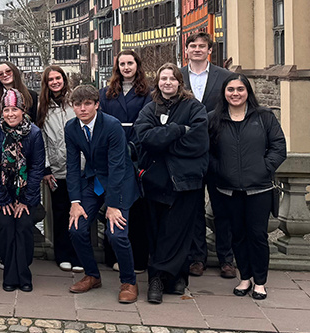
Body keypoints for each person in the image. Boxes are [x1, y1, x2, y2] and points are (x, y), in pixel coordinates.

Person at [135, 63, 209, 304]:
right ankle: (162, 277)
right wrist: (177, 130)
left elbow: (198, 143)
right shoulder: (149, 108)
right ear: (157, 82)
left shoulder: (194, 108)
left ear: (180, 82)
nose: (167, 82)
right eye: (163, 78)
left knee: (179, 231)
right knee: (157, 231)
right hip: (156, 180)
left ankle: (170, 276)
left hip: (185, 181)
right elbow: (144, 138)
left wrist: (165, 141)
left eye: (172, 78)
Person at [207, 74, 286, 300]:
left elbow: (279, 147)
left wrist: (264, 167)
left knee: (257, 235)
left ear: (247, 92)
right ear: (224, 93)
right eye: (230, 89)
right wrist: (219, 168)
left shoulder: (264, 117)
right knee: (238, 236)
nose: (235, 93)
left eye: (240, 89)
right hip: (227, 189)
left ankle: (260, 281)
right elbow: (206, 150)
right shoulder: (214, 118)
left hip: (258, 189)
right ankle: (245, 278)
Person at [65, 84, 139, 304]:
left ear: (97, 104)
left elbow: (117, 166)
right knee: (76, 228)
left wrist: (113, 205)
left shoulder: (112, 125)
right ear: (73, 107)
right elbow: (72, 166)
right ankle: (92, 275)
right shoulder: (71, 128)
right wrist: (75, 201)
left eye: (88, 103)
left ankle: (129, 281)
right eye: (78, 104)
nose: (83, 109)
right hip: (93, 180)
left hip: (119, 181)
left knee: (116, 233)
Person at [180, 31, 234, 278]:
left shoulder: (225, 78)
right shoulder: (177, 77)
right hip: (187, 153)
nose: (198, 49)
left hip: (217, 151)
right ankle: (197, 258)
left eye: (202, 46)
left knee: (222, 207)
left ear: (210, 50)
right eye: (193, 45)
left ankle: (226, 259)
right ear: (187, 50)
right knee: (193, 209)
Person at [0, 89, 45, 292]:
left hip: (26, 193)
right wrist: (2, 199)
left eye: (14, 109)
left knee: (24, 226)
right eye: (6, 110)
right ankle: (9, 274)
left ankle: (24, 274)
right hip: (1, 192)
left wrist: (25, 200)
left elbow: (37, 168)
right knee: (6, 226)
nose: (10, 114)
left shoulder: (34, 133)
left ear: (23, 111)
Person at [98, 50, 152, 274]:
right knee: (111, 206)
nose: (126, 67)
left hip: (137, 154)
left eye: (130, 63)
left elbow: (147, 122)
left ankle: (138, 258)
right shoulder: (106, 93)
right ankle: (113, 256)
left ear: (137, 66)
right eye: (122, 64)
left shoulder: (148, 93)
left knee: (136, 209)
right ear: (117, 67)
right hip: (112, 154)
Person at [36, 65, 82, 273]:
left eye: (58, 78)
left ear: (64, 79)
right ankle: (62, 254)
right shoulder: (43, 108)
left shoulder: (76, 102)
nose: (55, 82)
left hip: (79, 167)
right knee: (60, 211)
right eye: (50, 80)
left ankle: (79, 254)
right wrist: (46, 168)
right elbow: (41, 140)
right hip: (56, 168)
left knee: (81, 211)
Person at [0, 61, 38, 126]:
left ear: (15, 72)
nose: (5, 75)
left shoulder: (32, 95)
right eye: (0, 74)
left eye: (8, 71)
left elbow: (35, 122)